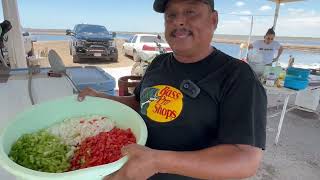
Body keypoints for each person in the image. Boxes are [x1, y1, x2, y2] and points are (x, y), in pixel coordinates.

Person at [78, 0, 267, 179]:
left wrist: (157, 161)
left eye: (190, 12)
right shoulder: (159, 62)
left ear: (213, 20)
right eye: (171, 15)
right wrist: (101, 98)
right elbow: (139, 103)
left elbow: (245, 159)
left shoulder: (237, 75)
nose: (179, 21)